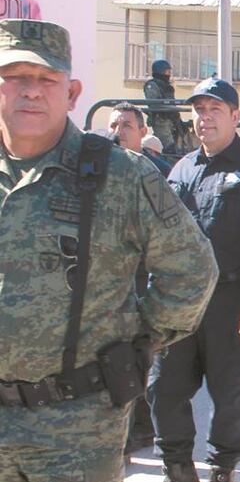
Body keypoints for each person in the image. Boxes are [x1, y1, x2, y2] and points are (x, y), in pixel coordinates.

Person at [0, 19, 217, 482]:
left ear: (71, 93)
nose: (29, 90)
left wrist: (139, 342)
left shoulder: (118, 173)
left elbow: (192, 270)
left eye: (44, 79)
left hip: (77, 422)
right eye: (13, 77)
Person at [137, 78, 240, 482]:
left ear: (236, 116)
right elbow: (161, 238)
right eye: (199, 110)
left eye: (215, 109)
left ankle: (221, 479)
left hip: (232, 302)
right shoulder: (180, 169)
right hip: (180, 304)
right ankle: (178, 475)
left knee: (227, 395)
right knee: (163, 390)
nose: (205, 118)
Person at [107, 102, 173, 457]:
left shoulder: (156, 172)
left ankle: (139, 429)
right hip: (109, 278)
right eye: (114, 123)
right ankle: (132, 433)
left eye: (127, 124)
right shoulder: (94, 171)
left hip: (143, 276)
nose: (119, 130)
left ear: (143, 131)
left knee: (139, 356)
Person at [108, 102, 172, 176]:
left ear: (142, 132)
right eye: (113, 125)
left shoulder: (158, 169)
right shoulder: (99, 163)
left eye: (126, 126)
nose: (118, 131)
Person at [143, 59, 182, 152]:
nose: (169, 74)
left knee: (178, 147)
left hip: (171, 120)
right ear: (160, 71)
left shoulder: (167, 86)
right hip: (161, 120)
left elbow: (172, 102)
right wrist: (166, 109)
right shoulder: (152, 85)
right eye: (167, 72)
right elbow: (154, 104)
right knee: (168, 148)